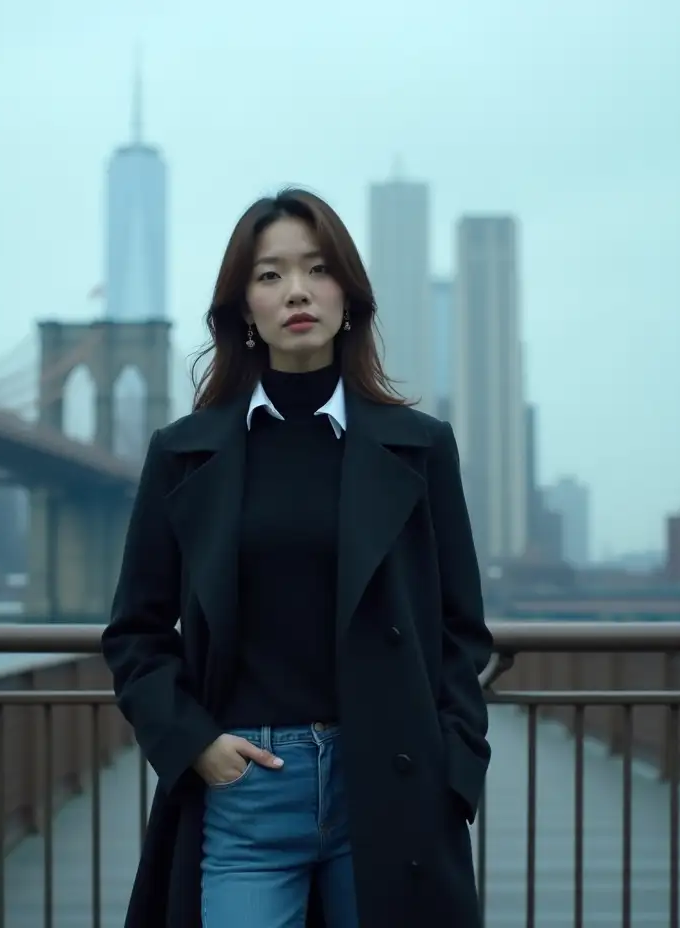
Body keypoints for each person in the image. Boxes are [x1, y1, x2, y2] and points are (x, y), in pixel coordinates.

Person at [101, 187, 494, 928]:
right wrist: (197, 746)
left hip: (389, 783)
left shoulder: (420, 448)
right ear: (244, 309)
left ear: (348, 293)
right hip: (245, 788)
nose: (297, 292)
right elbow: (136, 632)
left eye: (317, 269)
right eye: (271, 275)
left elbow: (460, 631)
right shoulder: (185, 456)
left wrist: (456, 772)